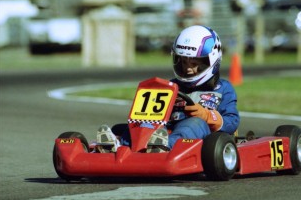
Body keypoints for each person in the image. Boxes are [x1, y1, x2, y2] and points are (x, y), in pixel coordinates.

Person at [95, 25, 239, 153]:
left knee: (194, 123)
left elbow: (232, 122)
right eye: (183, 62)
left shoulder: (223, 88)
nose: (188, 69)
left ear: (212, 61)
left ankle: (164, 148)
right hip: (165, 132)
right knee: (133, 126)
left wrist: (207, 116)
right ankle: (119, 146)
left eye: (194, 63)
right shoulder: (171, 86)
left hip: (200, 137)